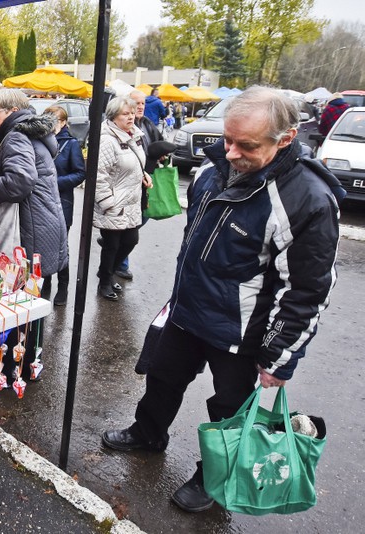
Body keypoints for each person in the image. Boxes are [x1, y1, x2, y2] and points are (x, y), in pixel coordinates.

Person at [101, 86, 343, 513]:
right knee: (162, 377)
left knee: (230, 408)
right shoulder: (213, 169)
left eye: (246, 145)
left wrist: (280, 356)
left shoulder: (308, 198)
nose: (230, 152)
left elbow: (309, 289)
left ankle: (215, 476)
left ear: (285, 138)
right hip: (187, 308)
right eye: (227, 139)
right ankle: (148, 432)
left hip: (240, 329)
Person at [0, 88, 68, 382]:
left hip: (28, 231)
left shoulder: (16, 137)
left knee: (17, 304)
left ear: (13, 112)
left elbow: (19, 182)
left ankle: (13, 370)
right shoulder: (35, 136)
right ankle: (27, 366)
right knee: (31, 302)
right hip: (43, 225)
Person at [93, 96, 151, 301]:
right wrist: (108, 203)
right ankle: (105, 281)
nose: (131, 117)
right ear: (113, 116)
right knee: (112, 246)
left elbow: (135, 163)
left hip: (131, 201)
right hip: (113, 203)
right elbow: (98, 174)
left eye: (132, 113)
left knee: (131, 240)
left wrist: (144, 175)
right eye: (125, 113)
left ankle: (107, 273)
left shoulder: (133, 135)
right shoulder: (107, 139)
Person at [44, 105, 85, 306]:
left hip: (62, 201)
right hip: (41, 201)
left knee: (61, 246)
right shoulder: (41, 142)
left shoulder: (71, 144)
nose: (50, 126)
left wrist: (55, 182)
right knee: (42, 244)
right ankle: (45, 282)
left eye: (54, 122)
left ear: (63, 123)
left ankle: (63, 286)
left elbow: (80, 173)